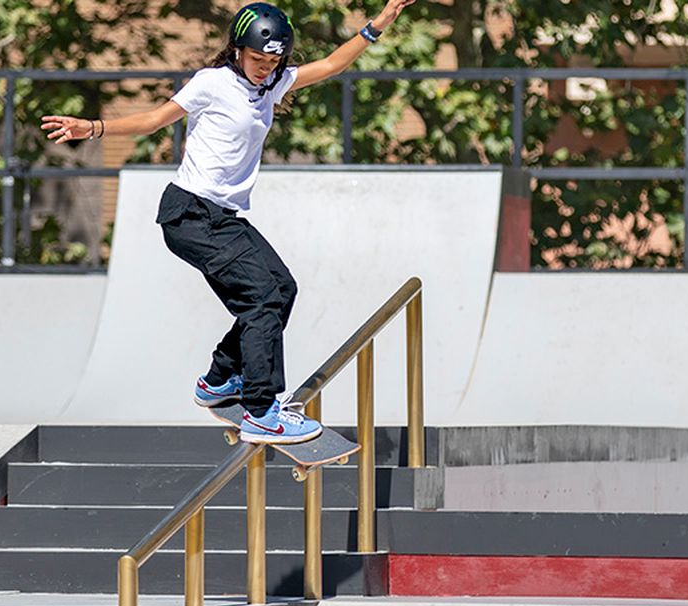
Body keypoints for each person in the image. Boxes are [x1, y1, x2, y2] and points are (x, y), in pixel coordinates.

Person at [43, 0, 416, 444]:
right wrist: (94, 127)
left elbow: (333, 63)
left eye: (273, 61)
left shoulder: (273, 84)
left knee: (282, 289)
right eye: (257, 59)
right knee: (260, 301)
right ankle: (261, 409)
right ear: (238, 49)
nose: (264, 68)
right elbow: (155, 120)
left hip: (223, 218)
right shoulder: (212, 83)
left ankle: (220, 379)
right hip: (190, 214)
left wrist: (379, 24)